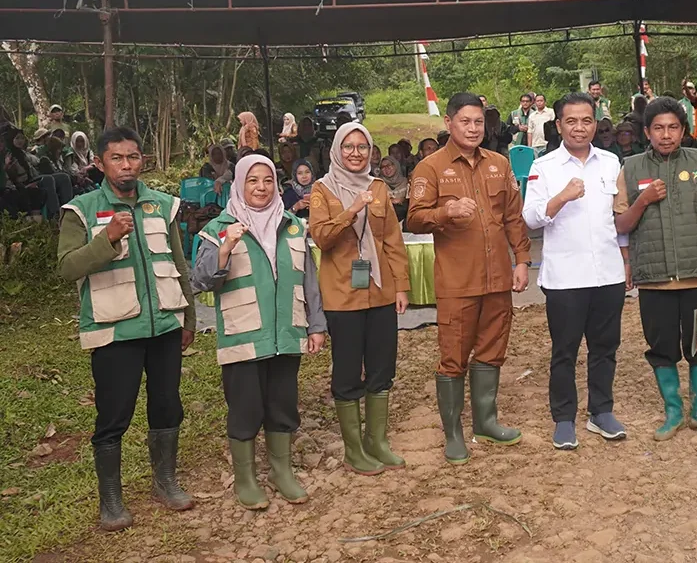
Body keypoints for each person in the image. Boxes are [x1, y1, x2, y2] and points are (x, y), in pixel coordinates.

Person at [56, 127, 196, 531]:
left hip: (164, 325)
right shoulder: (81, 210)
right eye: (116, 158)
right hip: (115, 330)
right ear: (99, 163)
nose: (126, 165)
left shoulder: (162, 205)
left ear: (143, 161)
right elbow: (66, 267)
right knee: (114, 415)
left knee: (167, 405)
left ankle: (165, 482)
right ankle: (111, 501)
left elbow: (178, 263)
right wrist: (108, 239)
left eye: (132, 157)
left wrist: (188, 317)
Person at [191, 154, 325, 510]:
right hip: (243, 335)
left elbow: (309, 280)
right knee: (245, 407)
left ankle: (281, 471)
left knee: (283, 404)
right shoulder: (220, 227)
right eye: (253, 180)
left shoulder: (292, 224)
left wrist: (316, 325)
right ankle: (246, 479)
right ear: (239, 185)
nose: (261, 187)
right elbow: (200, 280)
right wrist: (225, 248)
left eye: (268, 180)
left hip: (286, 332)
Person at [407, 92, 533, 465]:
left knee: (493, 349)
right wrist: (445, 211)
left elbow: (513, 217)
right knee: (454, 358)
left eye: (478, 122)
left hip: (497, 279)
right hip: (457, 282)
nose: (473, 128)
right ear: (449, 123)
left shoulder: (499, 163)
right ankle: (453, 433)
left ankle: (486, 422)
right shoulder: (430, 168)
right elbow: (413, 218)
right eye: (465, 121)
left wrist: (522, 259)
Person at [614, 96, 697, 441]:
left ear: (683, 130)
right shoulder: (630, 168)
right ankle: (673, 413)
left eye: (673, 128)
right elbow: (621, 224)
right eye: (658, 128)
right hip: (654, 280)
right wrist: (643, 200)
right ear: (647, 132)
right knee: (661, 347)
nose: (666, 135)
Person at [522, 93, 628, 449]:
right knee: (564, 351)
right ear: (558, 125)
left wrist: (626, 261)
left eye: (586, 121)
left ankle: (601, 412)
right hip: (565, 277)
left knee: (605, 348)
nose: (579, 128)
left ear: (595, 124)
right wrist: (562, 197)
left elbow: (618, 218)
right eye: (571, 121)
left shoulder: (611, 162)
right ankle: (564, 419)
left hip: (608, 273)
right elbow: (530, 217)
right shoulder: (545, 166)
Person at [310, 122, 411, 476]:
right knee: (348, 372)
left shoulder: (378, 187)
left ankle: (376, 441)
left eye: (362, 147)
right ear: (337, 150)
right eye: (349, 146)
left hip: (380, 291)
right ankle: (354, 450)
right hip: (342, 295)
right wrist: (351, 210)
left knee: (382, 368)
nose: (356, 153)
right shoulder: (322, 190)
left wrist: (401, 286)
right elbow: (322, 237)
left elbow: (392, 241)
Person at [6, 129, 74, 220]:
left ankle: (68, 210)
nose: (20, 141)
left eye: (22, 138)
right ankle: (54, 214)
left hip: (33, 177)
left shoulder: (23, 153)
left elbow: (36, 161)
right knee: (47, 179)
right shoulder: (9, 154)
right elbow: (12, 177)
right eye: (17, 138)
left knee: (63, 177)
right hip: (23, 183)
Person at [378, 156, 409, 221]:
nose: (386, 168)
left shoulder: (406, 182)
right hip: (385, 220)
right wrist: (390, 201)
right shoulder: (378, 184)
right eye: (383, 167)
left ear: (396, 165)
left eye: (389, 165)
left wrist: (403, 200)